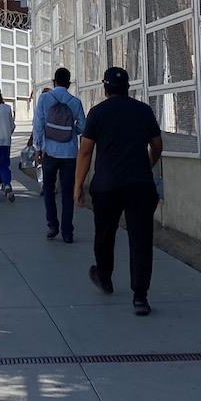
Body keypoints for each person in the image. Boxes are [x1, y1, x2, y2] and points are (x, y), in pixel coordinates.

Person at [74, 66, 162, 316]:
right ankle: (140, 297)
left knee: (104, 233)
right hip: (140, 184)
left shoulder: (98, 113)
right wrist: (147, 164)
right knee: (141, 239)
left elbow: (86, 152)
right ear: (128, 88)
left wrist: (78, 186)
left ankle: (104, 276)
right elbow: (157, 145)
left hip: (106, 185)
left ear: (105, 88)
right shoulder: (143, 111)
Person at [32, 68, 86, 243]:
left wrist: (38, 148)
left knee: (48, 189)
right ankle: (67, 231)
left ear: (54, 82)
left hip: (50, 151)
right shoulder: (75, 101)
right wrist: (71, 131)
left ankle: (52, 225)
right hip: (69, 153)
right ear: (69, 84)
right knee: (68, 192)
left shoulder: (45, 98)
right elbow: (83, 127)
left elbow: (38, 124)